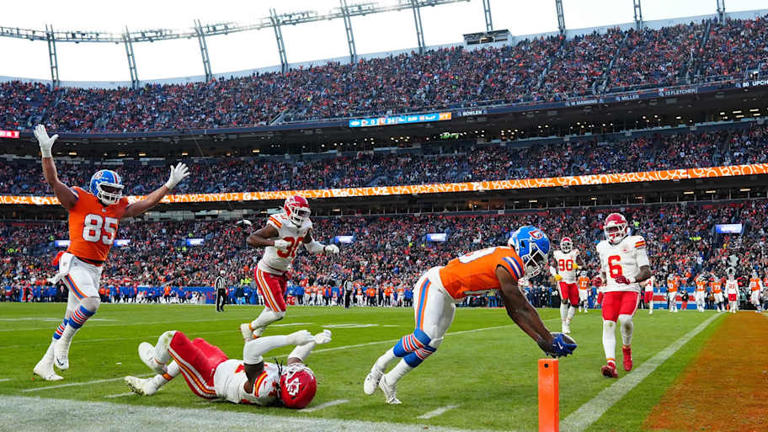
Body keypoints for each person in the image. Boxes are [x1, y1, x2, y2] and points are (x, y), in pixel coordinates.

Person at [32, 125, 190, 381]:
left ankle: (45, 364)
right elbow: (53, 182)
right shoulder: (79, 199)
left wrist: (168, 185)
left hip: (95, 268)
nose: (115, 193)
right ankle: (62, 344)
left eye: (117, 190)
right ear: (96, 186)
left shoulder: (118, 208)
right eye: (109, 188)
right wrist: (46, 152)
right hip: (74, 263)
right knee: (92, 302)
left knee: (72, 316)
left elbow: (146, 203)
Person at [363, 226, 576, 404]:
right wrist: (548, 338)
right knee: (424, 336)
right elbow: (522, 307)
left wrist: (539, 339)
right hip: (435, 285)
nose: (535, 264)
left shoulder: (505, 260)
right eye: (536, 257)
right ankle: (378, 368)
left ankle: (389, 381)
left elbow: (513, 311)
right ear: (523, 247)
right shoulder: (509, 262)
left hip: (449, 296)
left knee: (432, 343)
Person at [124, 329, 331, 409]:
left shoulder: (264, 388)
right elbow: (295, 358)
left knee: (172, 339)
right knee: (196, 342)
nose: (293, 369)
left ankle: (157, 365)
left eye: (294, 374)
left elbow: (250, 350)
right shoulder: (283, 386)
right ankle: (153, 385)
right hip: (223, 365)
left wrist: (290, 339)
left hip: (211, 381)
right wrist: (312, 341)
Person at [238, 196, 339, 341]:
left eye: (304, 213)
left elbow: (311, 246)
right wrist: (274, 243)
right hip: (267, 271)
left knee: (270, 308)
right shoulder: (278, 224)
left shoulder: (305, 226)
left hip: (282, 272)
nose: (302, 216)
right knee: (279, 312)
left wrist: (325, 248)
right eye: (299, 212)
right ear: (289, 209)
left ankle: (254, 336)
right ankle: (249, 328)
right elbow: (251, 239)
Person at [592, 213, 651, 378]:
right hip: (611, 290)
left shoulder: (634, 242)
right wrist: (600, 278)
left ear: (624, 228)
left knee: (625, 320)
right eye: (609, 230)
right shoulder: (602, 247)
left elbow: (646, 271)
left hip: (630, 288)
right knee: (608, 324)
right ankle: (611, 363)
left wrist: (630, 278)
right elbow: (605, 271)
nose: (612, 233)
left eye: (615, 229)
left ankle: (626, 349)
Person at [551, 237, 583, 334]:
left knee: (575, 303)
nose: (566, 247)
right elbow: (552, 267)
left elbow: (582, 265)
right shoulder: (557, 254)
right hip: (562, 280)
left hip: (572, 281)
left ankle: (568, 322)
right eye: (564, 245)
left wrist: (578, 267)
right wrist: (555, 275)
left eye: (567, 245)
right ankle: (563, 324)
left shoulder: (575, 253)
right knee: (564, 300)